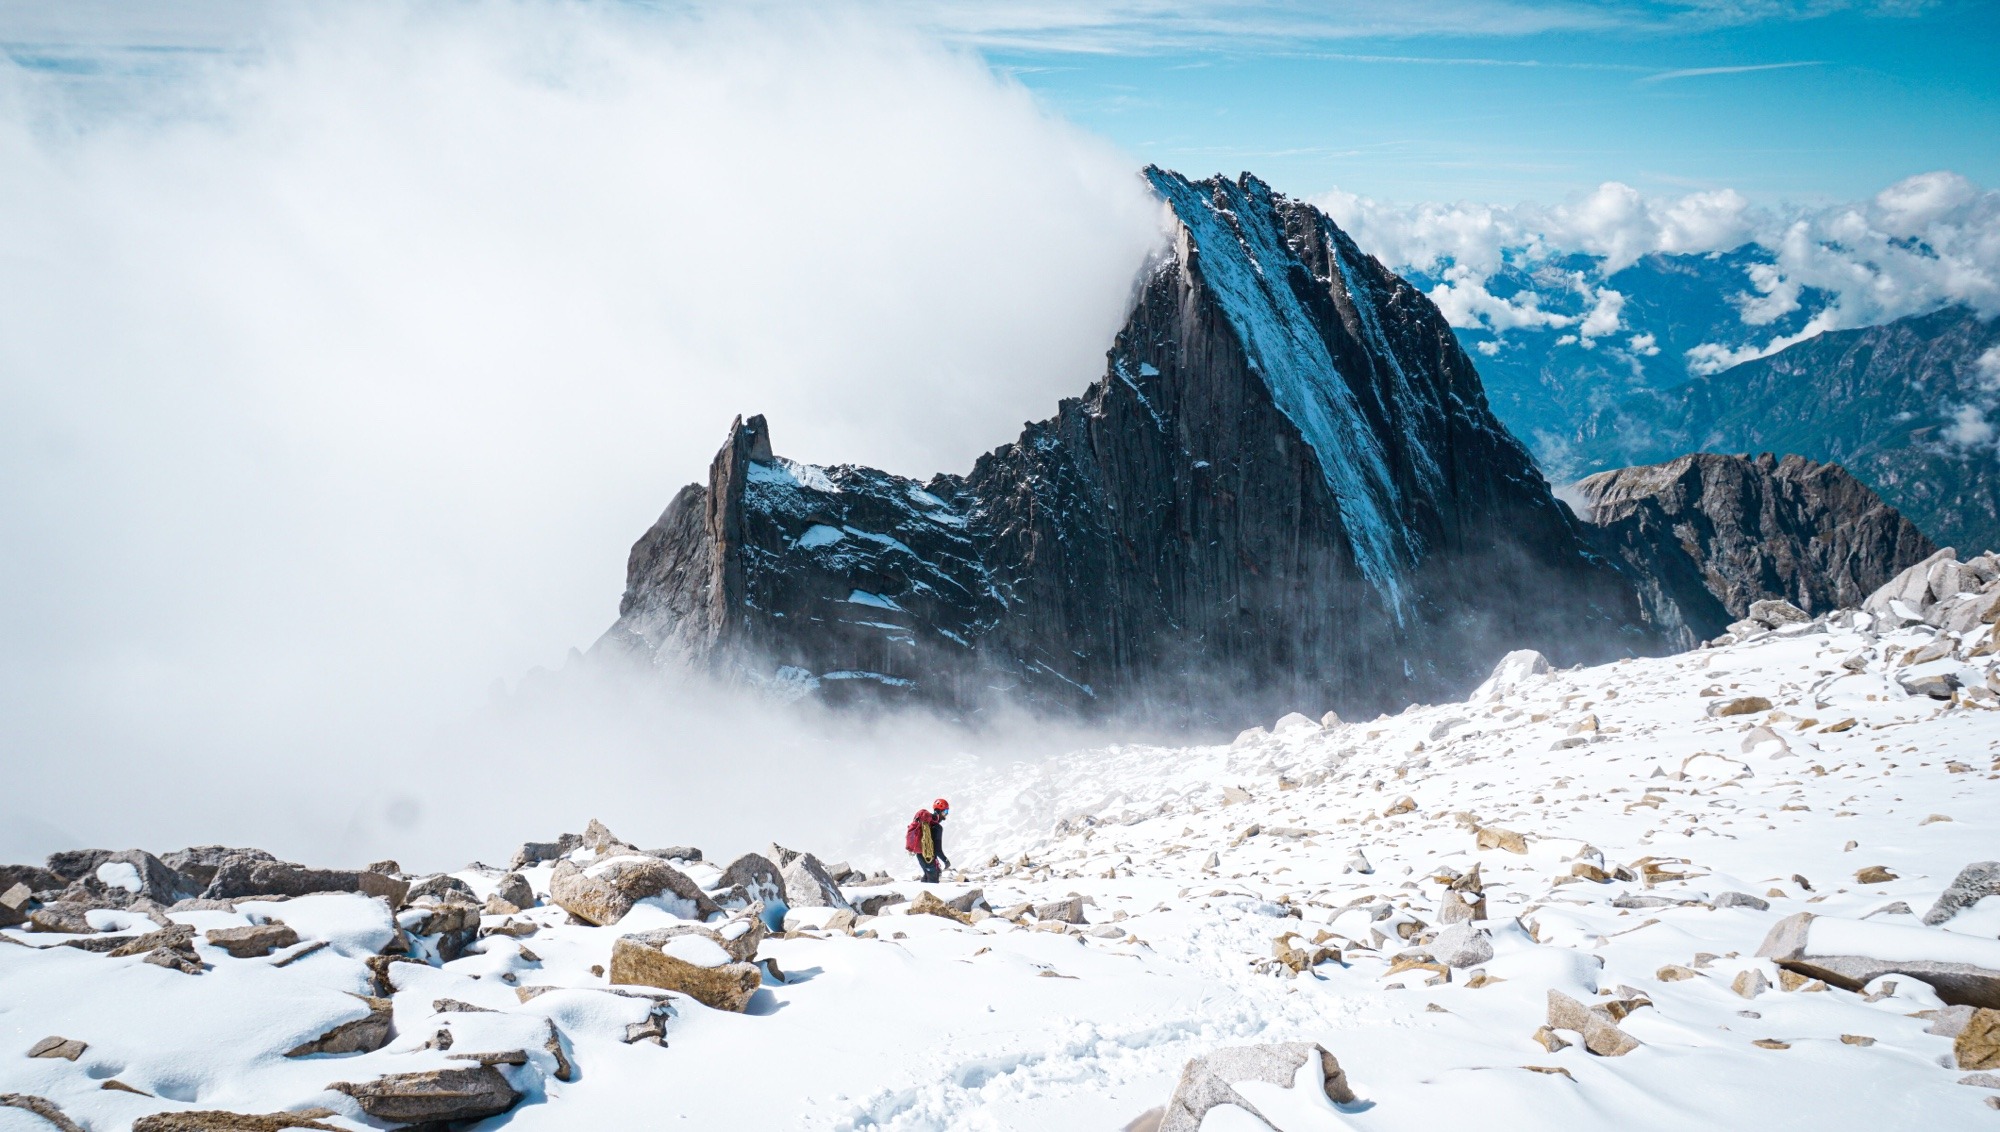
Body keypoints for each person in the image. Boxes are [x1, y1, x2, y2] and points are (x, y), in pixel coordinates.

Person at [907, 797, 951, 882]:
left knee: (927, 877)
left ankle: (922, 895)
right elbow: (937, 850)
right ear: (939, 811)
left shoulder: (926, 824)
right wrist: (946, 861)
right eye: (945, 812)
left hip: (920, 856)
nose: (946, 814)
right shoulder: (937, 827)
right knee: (933, 881)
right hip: (929, 858)